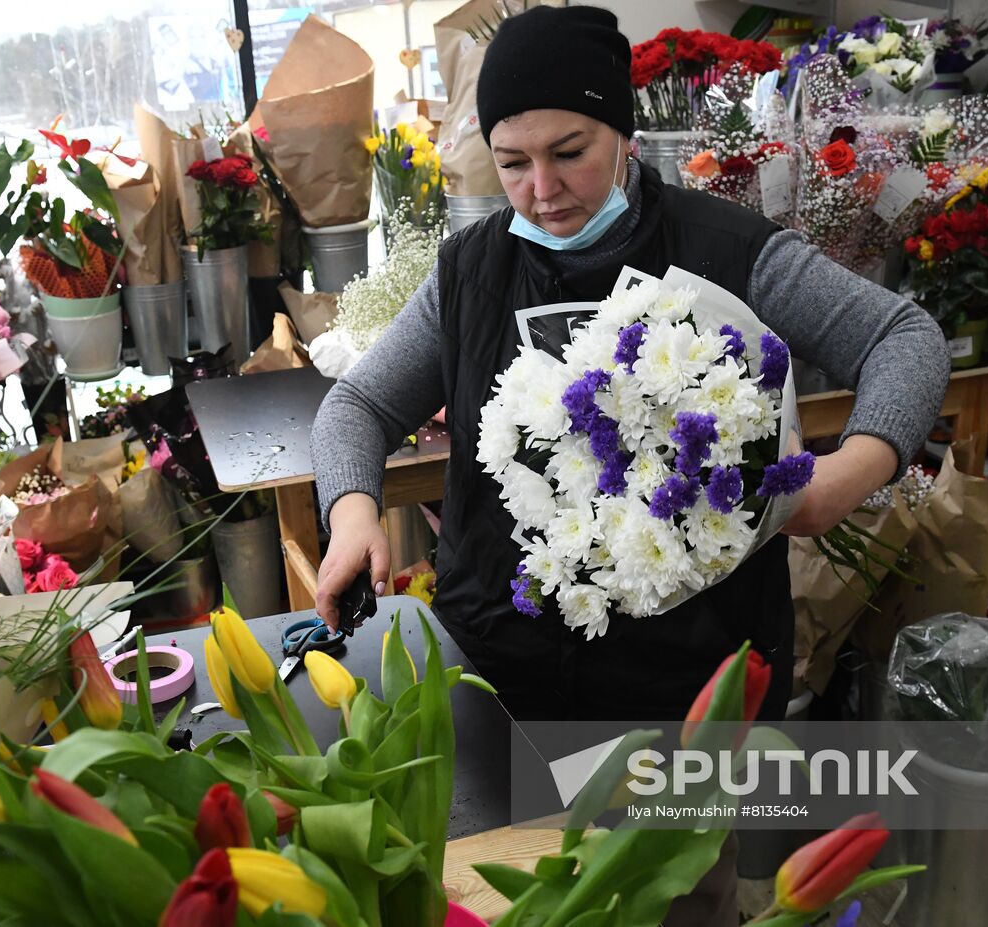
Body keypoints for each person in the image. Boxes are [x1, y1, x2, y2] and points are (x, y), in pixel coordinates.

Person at [310, 7, 949, 922]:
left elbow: (904, 337)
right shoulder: (471, 272)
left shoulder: (726, 250)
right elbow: (357, 405)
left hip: (683, 692)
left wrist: (854, 468)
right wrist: (352, 514)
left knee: (672, 897)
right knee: (516, 897)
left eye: (570, 150)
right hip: (504, 679)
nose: (541, 190)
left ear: (624, 130)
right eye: (513, 160)